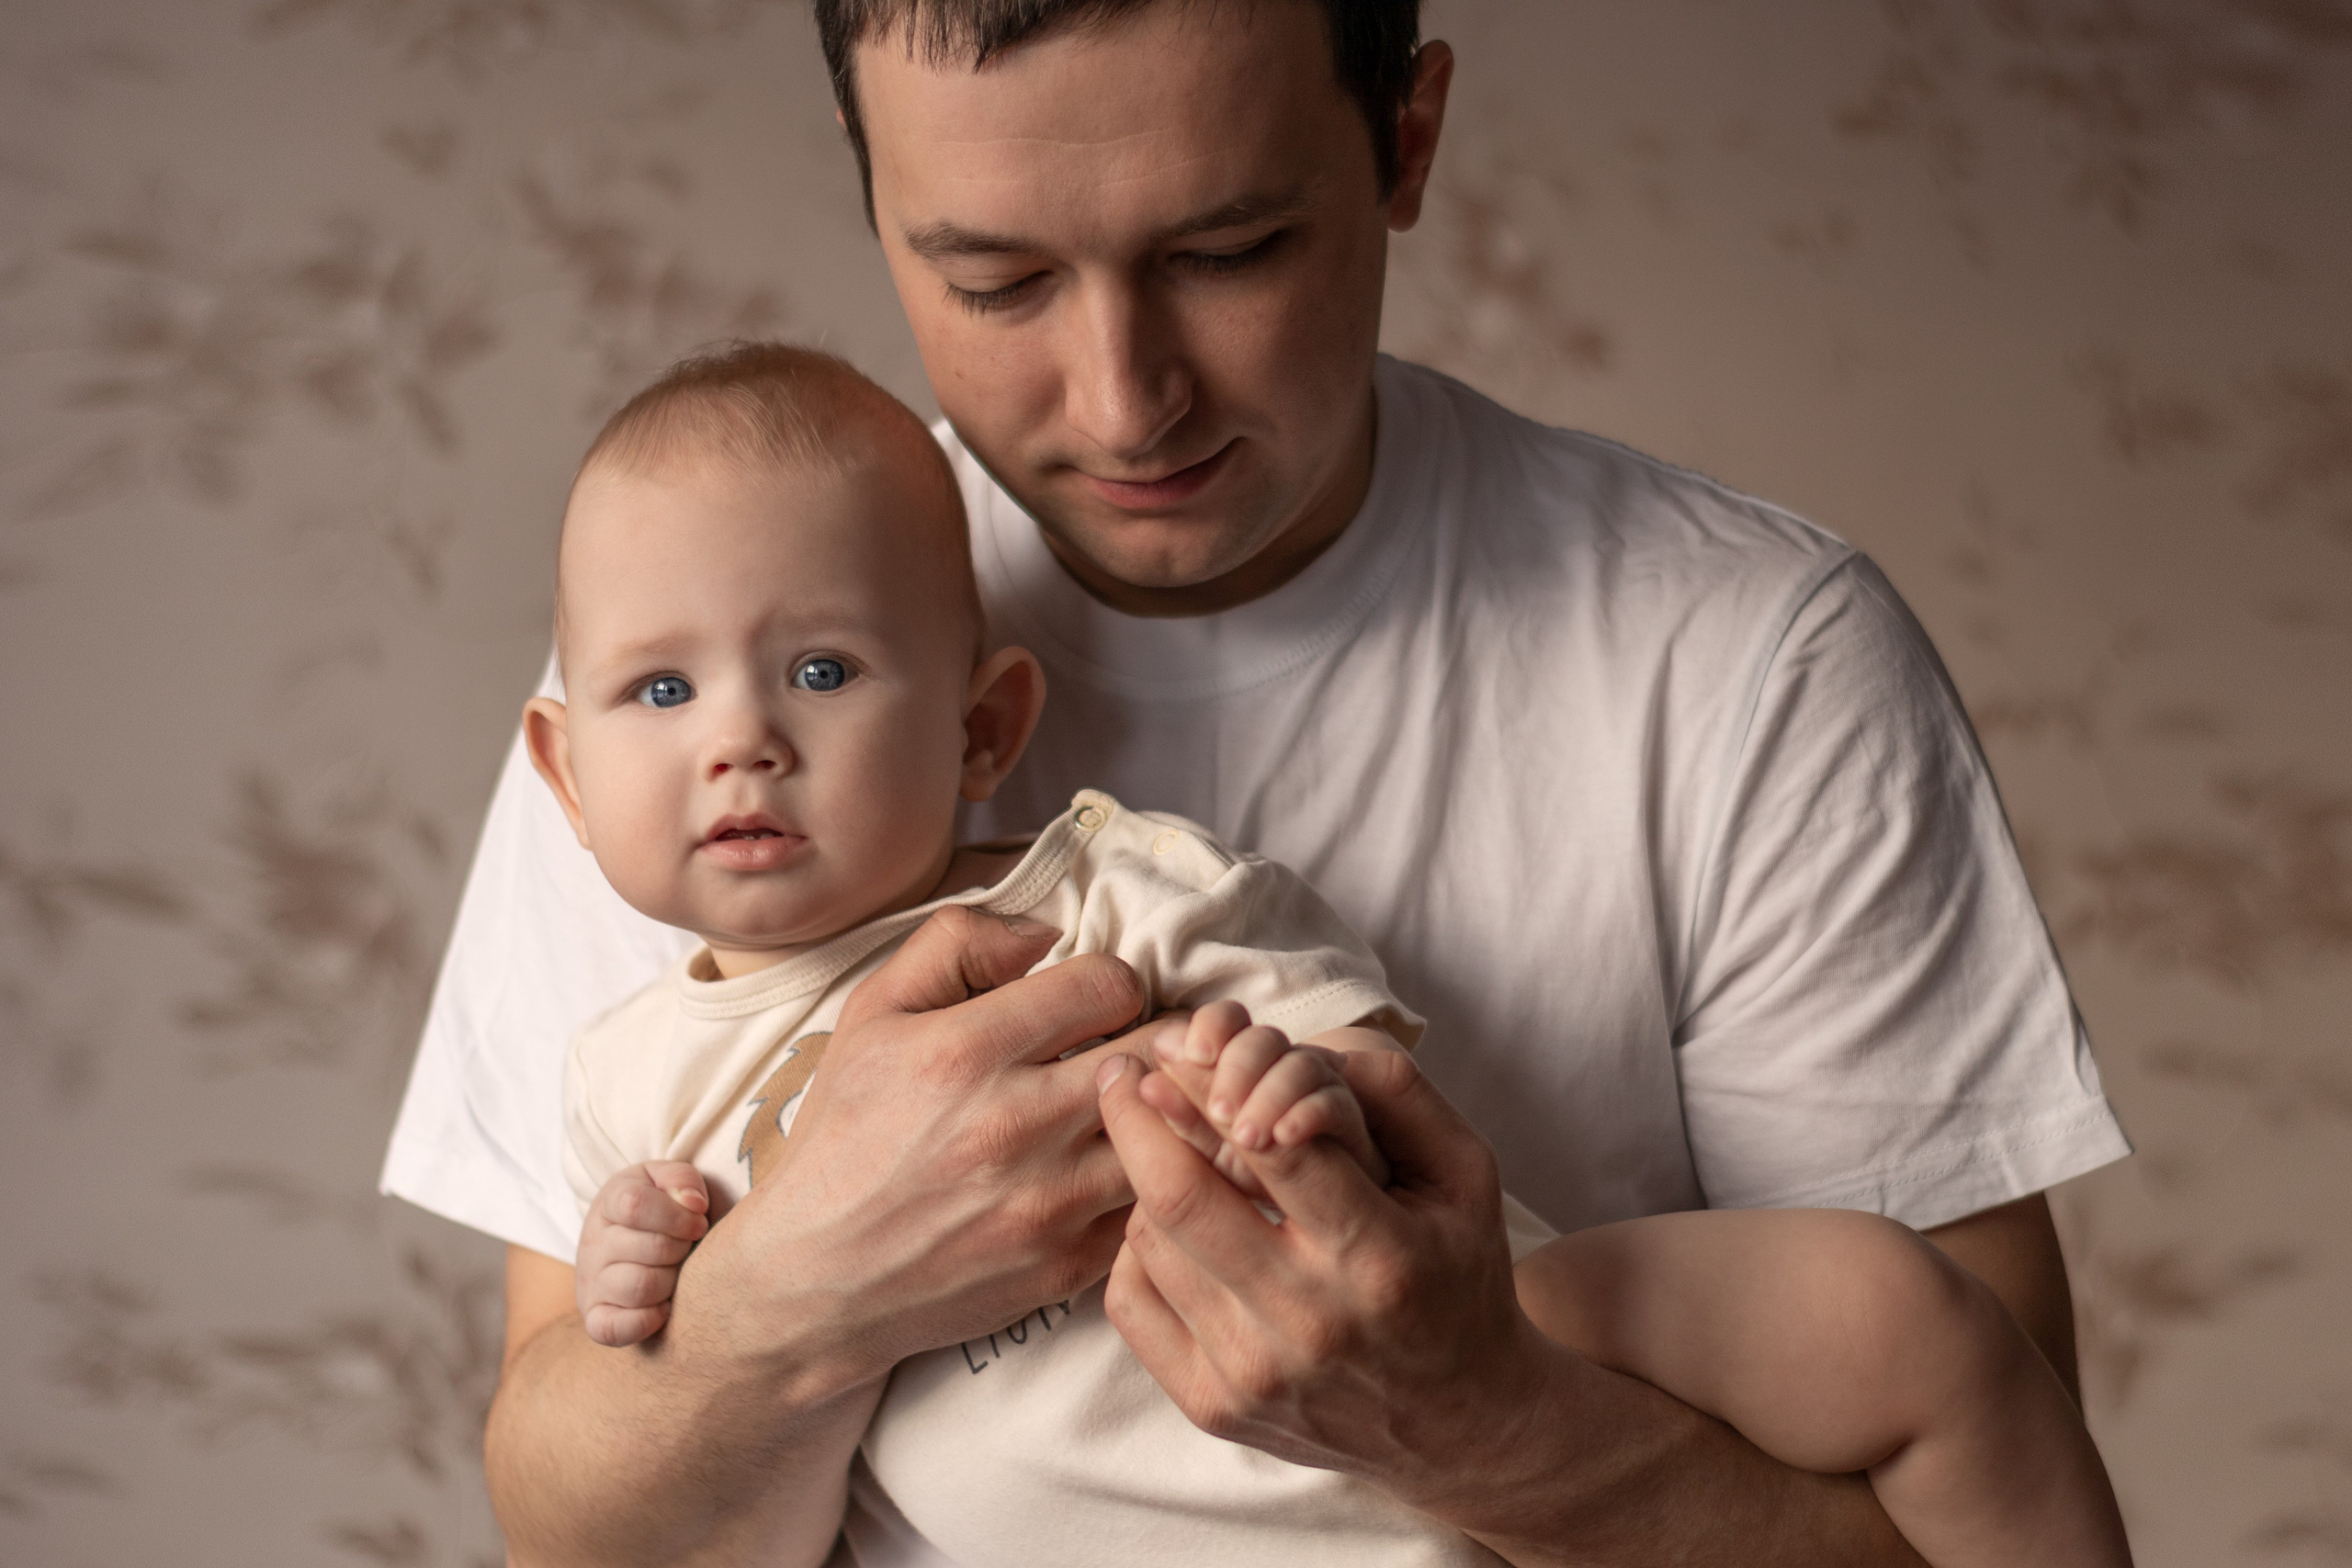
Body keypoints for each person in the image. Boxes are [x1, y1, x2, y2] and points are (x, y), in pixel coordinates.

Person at [383, 3, 2134, 1563]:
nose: (1126, 398)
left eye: (1229, 250)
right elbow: (580, 1521)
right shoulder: (696, 668)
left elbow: (1958, 1492)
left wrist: (1487, 1425)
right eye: (993, 281)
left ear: (1407, 142)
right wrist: (795, 1302)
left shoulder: (1755, 660)